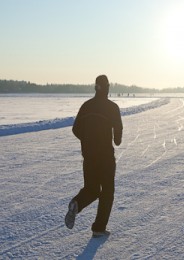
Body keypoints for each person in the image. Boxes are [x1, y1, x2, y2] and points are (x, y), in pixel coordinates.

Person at [65, 75, 123, 238]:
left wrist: (87, 141)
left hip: (89, 156)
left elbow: (76, 128)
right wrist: (116, 139)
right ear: (108, 87)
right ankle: (99, 228)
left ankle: (77, 202)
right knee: (107, 191)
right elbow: (118, 132)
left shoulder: (86, 106)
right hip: (105, 156)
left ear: (95, 87)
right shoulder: (112, 107)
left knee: (91, 189)